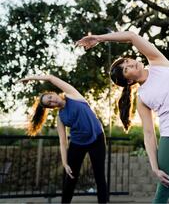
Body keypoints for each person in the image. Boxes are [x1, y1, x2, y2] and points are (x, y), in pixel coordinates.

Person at [76, 31, 169, 203]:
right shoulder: (142, 98)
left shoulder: (158, 61)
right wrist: (155, 167)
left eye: (127, 61)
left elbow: (132, 36)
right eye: (126, 70)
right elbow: (149, 133)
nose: (131, 64)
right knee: (164, 188)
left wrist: (99, 38)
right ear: (128, 81)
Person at [18, 75, 107, 203]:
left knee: (100, 177)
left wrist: (30, 78)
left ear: (53, 93)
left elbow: (50, 78)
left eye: (50, 98)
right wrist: (65, 163)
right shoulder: (61, 118)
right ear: (51, 107)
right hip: (77, 144)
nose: (52, 101)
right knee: (70, 178)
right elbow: (63, 141)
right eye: (49, 104)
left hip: (96, 139)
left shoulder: (73, 95)